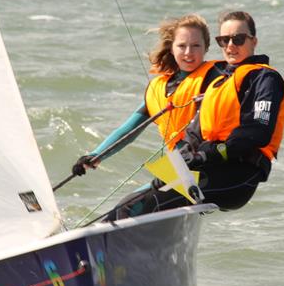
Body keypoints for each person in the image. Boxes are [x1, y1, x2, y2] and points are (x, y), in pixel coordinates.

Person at [102, 10, 284, 218]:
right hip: (210, 169)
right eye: (224, 40)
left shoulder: (265, 78)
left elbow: (258, 131)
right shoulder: (220, 83)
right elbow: (195, 134)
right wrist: (179, 164)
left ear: (254, 41)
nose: (230, 46)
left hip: (238, 175)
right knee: (127, 206)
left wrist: (207, 153)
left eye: (238, 39)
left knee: (139, 208)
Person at [71, 13, 221, 180]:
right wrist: (96, 155)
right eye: (181, 46)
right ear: (171, 48)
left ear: (206, 47)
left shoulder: (217, 77)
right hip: (179, 170)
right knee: (127, 205)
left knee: (131, 204)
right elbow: (129, 130)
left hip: (209, 167)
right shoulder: (159, 88)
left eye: (196, 46)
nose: (188, 52)